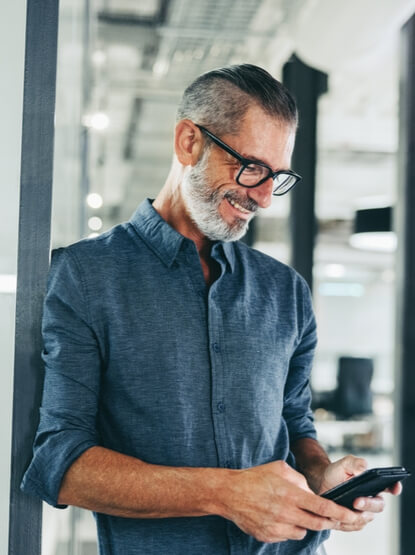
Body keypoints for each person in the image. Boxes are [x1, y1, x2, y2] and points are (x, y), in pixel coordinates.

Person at [21, 64, 401, 554]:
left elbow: (294, 424)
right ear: (188, 143)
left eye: (278, 177)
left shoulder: (286, 290)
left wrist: (324, 474)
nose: (264, 196)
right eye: (252, 168)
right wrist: (225, 494)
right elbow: (61, 462)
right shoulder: (84, 276)